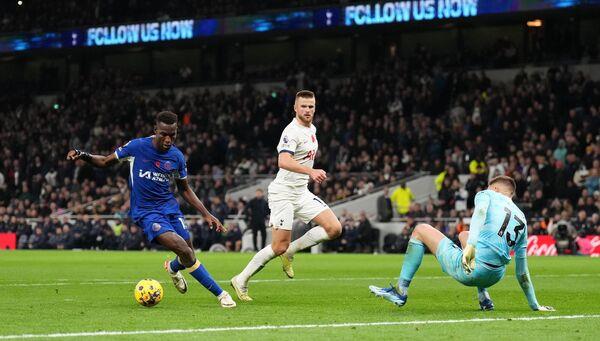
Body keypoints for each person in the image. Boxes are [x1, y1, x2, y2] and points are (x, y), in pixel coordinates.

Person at [66, 111, 236, 308]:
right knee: (184, 251)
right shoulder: (137, 147)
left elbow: (185, 189)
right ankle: (221, 294)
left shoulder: (177, 157)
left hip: (170, 209)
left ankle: (172, 268)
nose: (168, 139)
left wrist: (206, 214)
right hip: (146, 212)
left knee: (189, 251)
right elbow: (104, 161)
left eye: (172, 134)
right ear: (155, 130)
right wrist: (83, 155)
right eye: (163, 133)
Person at [369, 175, 554, 312]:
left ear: (495, 189)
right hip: (495, 275)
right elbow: (522, 272)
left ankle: (400, 291)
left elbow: (480, 212)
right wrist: (534, 305)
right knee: (463, 234)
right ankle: (484, 297)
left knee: (420, 229)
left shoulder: (487, 194)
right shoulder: (522, 218)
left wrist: (471, 246)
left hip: (473, 271)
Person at [230, 90, 342, 301]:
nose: (308, 110)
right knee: (278, 246)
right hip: (283, 193)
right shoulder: (291, 131)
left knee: (334, 228)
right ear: (295, 108)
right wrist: (311, 171)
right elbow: (283, 161)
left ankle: (291, 251)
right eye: (304, 106)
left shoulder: (312, 129)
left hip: (301, 192)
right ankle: (241, 279)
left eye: (311, 107)